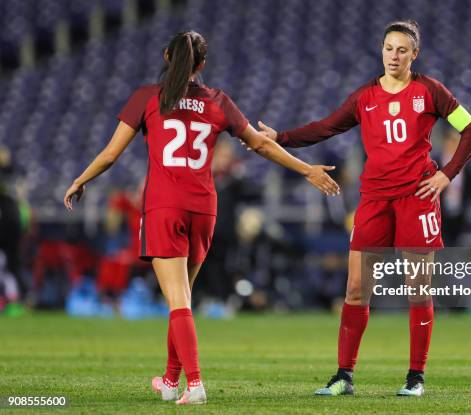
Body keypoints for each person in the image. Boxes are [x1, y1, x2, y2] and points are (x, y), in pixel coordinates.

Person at [63, 30, 340, 405]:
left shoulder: (147, 97)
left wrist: (81, 179)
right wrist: (306, 169)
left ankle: (195, 384)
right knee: (184, 298)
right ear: (202, 65)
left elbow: (111, 154)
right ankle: (170, 380)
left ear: (166, 57)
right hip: (204, 208)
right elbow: (259, 143)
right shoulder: (218, 101)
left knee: (177, 300)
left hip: (165, 206)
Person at [256, 20, 471, 396]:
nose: (394, 56)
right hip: (374, 198)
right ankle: (344, 376)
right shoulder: (365, 97)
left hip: (417, 196)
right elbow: (326, 127)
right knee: (357, 288)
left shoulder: (430, 92)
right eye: (389, 48)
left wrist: (446, 176)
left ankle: (415, 378)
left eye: (402, 50)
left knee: (418, 288)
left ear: (414, 54)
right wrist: (281, 137)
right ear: (381, 51)